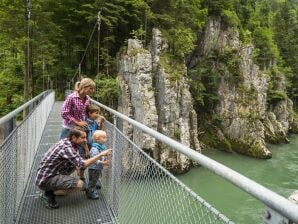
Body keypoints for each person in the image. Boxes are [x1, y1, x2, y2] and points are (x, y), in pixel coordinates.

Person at [35, 129, 111, 209]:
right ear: (74, 137)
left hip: (49, 173)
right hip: (45, 179)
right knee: (79, 185)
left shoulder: (68, 142)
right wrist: (101, 154)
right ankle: (49, 193)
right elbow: (83, 164)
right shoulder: (67, 148)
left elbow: (77, 162)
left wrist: (79, 165)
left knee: (75, 166)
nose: (85, 140)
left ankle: (54, 188)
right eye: (83, 137)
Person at [86, 130, 111, 199]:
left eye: (105, 137)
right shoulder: (95, 149)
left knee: (94, 179)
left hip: (97, 168)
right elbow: (95, 160)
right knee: (93, 181)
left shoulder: (100, 146)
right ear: (97, 139)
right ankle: (90, 193)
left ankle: (91, 189)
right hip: (94, 168)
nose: (105, 139)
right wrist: (104, 163)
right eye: (103, 137)